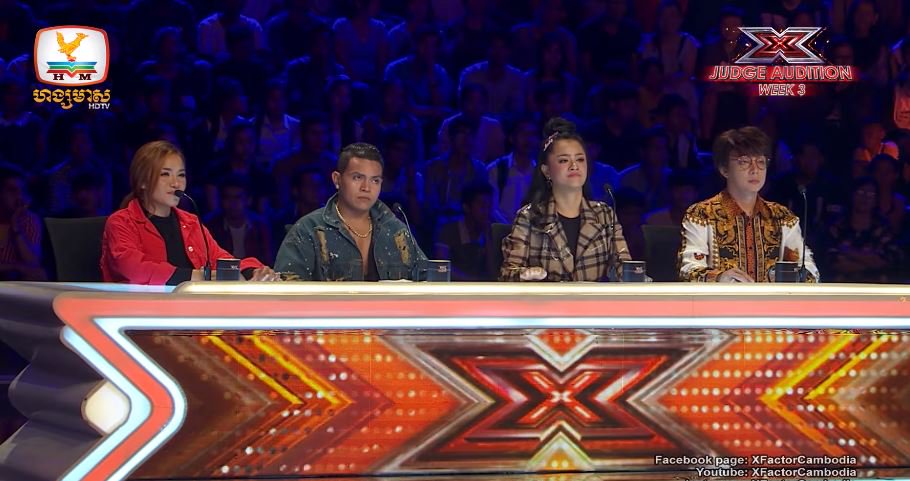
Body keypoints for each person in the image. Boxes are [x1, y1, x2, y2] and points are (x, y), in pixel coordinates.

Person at [100, 141, 278, 285]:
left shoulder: (190, 222)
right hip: (138, 309)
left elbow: (221, 259)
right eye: (165, 174)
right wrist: (197, 276)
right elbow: (133, 269)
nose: (176, 183)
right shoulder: (121, 222)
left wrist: (253, 271)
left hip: (190, 309)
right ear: (143, 182)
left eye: (181, 175)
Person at [678, 127, 820, 283]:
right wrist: (720, 278)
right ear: (724, 169)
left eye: (760, 162)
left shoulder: (782, 217)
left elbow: (809, 270)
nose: (755, 170)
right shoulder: (702, 214)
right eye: (744, 162)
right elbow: (689, 270)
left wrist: (791, 278)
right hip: (723, 299)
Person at [500, 117, 631, 281]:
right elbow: (509, 273)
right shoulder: (529, 217)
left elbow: (623, 266)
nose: (574, 166)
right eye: (564, 160)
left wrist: (635, 277)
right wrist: (525, 275)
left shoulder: (604, 214)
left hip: (591, 298)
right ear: (546, 171)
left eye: (580, 159)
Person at [275, 142, 427, 281]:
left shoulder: (396, 231)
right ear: (337, 179)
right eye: (357, 178)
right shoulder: (308, 230)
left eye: (375, 180)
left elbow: (428, 279)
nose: (366, 188)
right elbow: (287, 289)